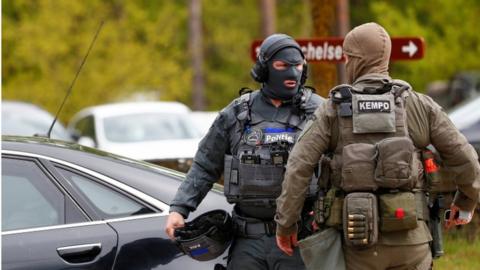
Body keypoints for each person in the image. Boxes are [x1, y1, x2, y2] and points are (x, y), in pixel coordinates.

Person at [275, 22, 480, 270]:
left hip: (355, 245)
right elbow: (465, 158)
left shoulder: (333, 109)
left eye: (348, 57)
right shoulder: (418, 105)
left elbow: (299, 166)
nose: (346, 63)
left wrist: (286, 224)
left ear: (357, 60)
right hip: (412, 242)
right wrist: (466, 202)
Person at [165, 33, 324, 270]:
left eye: (298, 66)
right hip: (248, 242)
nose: (292, 73)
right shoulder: (237, 113)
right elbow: (205, 164)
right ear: (263, 68)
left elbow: (342, 168)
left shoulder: (321, 112)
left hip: (300, 239)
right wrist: (179, 208)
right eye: (282, 66)